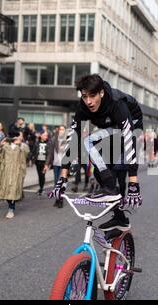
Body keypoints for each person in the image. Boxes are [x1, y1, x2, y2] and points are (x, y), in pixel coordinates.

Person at [48, 74, 143, 237]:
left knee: (91, 143)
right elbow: (73, 140)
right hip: (110, 130)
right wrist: (62, 179)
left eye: (92, 96)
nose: (89, 101)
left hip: (131, 126)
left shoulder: (117, 104)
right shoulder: (83, 107)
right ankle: (120, 218)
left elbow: (129, 139)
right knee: (102, 173)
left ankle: (116, 194)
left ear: (101, 93)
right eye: (84, 96)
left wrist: (134, 183)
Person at [0, 132, 29, 219]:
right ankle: (11, 204)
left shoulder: (22, 146)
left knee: (14, 190)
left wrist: (20, 143)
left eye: (16, 137)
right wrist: (0, 145)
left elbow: (27, 152)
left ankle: (11, 209)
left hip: (17, 171)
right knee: (6, 189)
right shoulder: (6, 146)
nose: (14, 139)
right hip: (6, 171)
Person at [46, 125, 68, 208]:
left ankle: (61, 201)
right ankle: (57, 199)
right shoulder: (54, 139)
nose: (61, 131)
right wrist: (46, 164)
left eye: (63, 129)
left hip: (64, 165)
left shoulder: (68, 140)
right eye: (60, 129)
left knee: (61, 183)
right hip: (56, 164)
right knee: (56, 182)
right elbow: (50, 153)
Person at [33, 131, 51, 195]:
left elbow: (49, 154)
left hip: (44, 162)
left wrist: (47, 164)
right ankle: (40, 188)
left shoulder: (48, 143)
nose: (46, 136)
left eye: (47, 135)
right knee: (39, 175)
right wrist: (33, 159)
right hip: (38, 162)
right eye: (45, 135)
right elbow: (34, 151)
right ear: (41, 136)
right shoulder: (37, 142)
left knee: (42, 175)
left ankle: (41, 188)